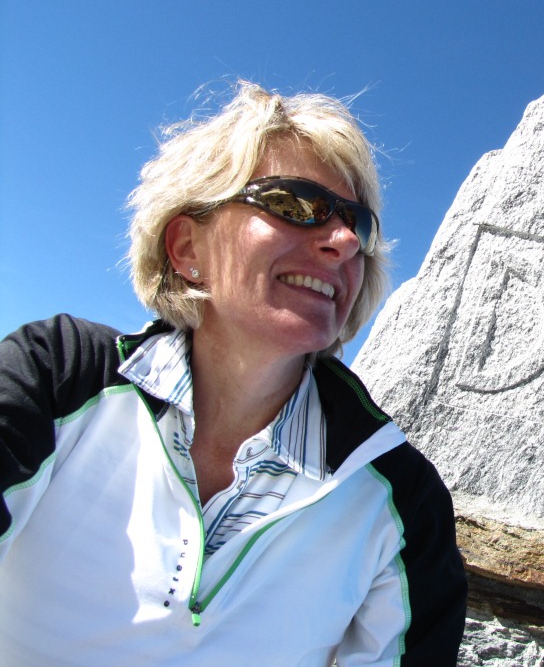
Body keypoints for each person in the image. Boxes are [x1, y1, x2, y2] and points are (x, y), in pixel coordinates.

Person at [0, 82, 467, 665]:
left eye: (360, 225)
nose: (346, 241)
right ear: (187, 247)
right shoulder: (57, 376)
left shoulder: (402, 497)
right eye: (295, 204)